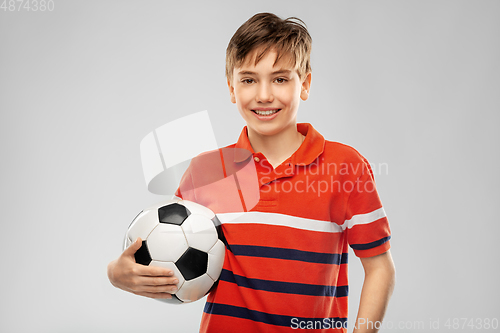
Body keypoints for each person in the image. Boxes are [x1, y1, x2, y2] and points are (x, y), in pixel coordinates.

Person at [108, 12, 395, 332]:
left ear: (305, 84)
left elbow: (380, 267)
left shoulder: (346, 167)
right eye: (248, 80)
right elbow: (167, 248)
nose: (264, 95)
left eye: (280, 78)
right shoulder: (207, 170)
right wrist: (120, 274)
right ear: (232, 88)